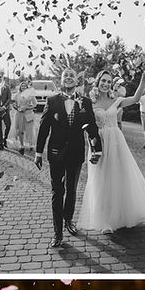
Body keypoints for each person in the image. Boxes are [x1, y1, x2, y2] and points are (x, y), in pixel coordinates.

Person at [77, 68, 145, 233]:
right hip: (99, 144)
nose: (106, 84)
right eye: (103, 81)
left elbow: (135, 98)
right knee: (101, 180)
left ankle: (120, 215)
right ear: (97, 83)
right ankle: (105, 221)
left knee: (118, 177)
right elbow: (86, 126)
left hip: (116, 143)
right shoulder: (90, 102)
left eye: (108, 81)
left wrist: (143, 80)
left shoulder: (117, 100)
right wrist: (91, 147)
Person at [35, 68, 103, 248]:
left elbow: (92, 128)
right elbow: (43, 128)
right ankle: (57, 233)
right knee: (57, 192)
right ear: (61, 80)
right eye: (66, 76)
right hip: (56, 154)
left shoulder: (85, 102)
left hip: (76, 153)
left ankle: (68, 220)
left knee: (71, 190)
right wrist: (38, 152)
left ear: (76, 81)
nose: (69, 78)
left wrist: (97, 150)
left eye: (72, 75)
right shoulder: (52, 101)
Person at [12, 80, 37, 157]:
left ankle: (31, 144)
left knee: (29, 130)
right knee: (20, 130)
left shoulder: (30, 95)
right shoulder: (16, 95)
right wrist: (17, 108)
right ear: (20, 87)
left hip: (29, 114)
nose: (23, 87)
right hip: (19, 114)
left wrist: (27, 107)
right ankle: (22, 144)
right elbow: (13, 103)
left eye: (25, 86)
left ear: (27, 87)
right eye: (22, 86)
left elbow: (35, 104)